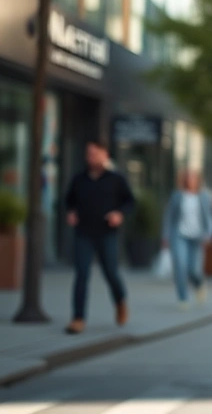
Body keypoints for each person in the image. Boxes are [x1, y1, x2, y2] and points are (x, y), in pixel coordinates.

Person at [64, 141, 136, 335]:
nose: (91, 157)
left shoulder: (115, 179)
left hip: (107, 234)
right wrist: (71, 212)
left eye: (95, 154)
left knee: (111, 273)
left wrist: (119, 214)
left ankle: (120, 301)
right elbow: (68, 200)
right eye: (89, 154)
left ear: (105, 155)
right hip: (84, 233)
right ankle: (78, 318)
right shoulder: (79, 179)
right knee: (81, 274)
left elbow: (129, 202)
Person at [162, 171, 212, 307]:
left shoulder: (204, 196)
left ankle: (199, 284)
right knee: (180, 265)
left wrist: (209, 234)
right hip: (179, 235)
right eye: (188, 178)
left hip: (197, 237)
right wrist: (165, 236)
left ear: (198, 181)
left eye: (193, 178)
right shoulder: (177, 196)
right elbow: (169, 216)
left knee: (194, 270)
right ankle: (183, 297)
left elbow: (210, 218)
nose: (190, 181)